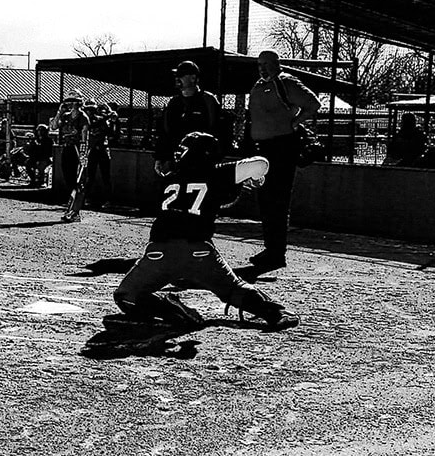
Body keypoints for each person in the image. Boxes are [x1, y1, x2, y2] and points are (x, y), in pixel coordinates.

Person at [113, 131, 300, 332]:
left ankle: (171, 309)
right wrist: (254, 179)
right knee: (233, 289)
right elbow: (261, 164)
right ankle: (276, 313)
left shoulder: (169, 179)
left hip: (159, 253)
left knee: (126, 296)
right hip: (199, 252)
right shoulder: (217, 172)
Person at [242, 49, 321, 279]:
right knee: (265, 199)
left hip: (282, 147)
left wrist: (295, 122)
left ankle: (277, 252)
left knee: (278, 199)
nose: (262, 68)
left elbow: (313, 104)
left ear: (277, 64)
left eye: (267, 64)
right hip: (263, 149)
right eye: (259, 64)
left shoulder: (285, 82)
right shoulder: (257, 87)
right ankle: (270, 248)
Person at [153, 60, 221, 176]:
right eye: (176, 76)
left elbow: (218, 131)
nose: (177, 79)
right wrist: (160, 158)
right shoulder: (173, 103)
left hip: (201, 163)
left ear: (193, 78)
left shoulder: (208, 100)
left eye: (181, 75)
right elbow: (165, 132)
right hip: (176, 163)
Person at [50, 90, 90, 222]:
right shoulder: (65, 116)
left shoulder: (83, 117)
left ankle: (75, 211)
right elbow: (54, 126)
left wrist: (83, 155)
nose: (71, 105)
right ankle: (71, 209)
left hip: (77, 150)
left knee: (78, 182)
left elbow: (85, 138)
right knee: (69, 180)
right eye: (69, 102)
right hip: (66, 149)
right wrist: (59, 112)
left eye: (73, 102)